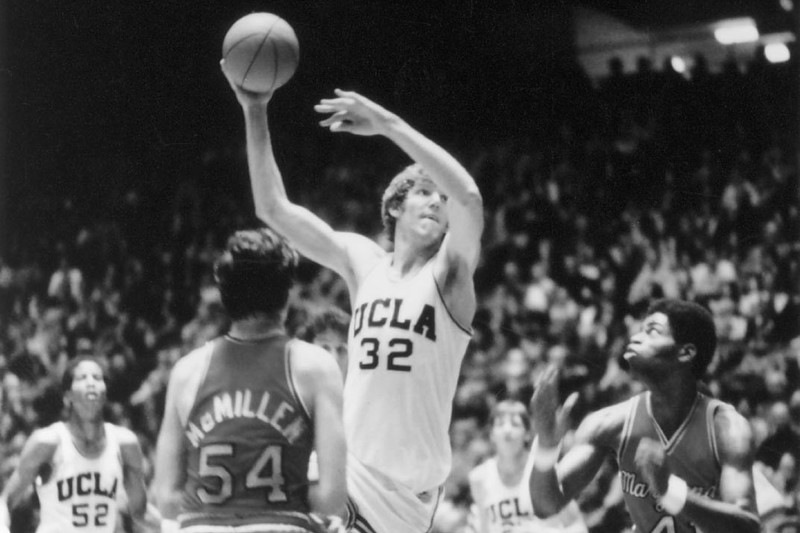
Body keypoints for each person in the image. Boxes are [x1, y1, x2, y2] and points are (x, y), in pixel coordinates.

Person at [222, 64, 483, 533]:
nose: (437, 202)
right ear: (395, 207)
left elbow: (468, 196)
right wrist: (255, 109)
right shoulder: (364, 263)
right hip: (347, 472)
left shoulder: (450, 276)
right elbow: (273, 209)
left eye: (441, 201)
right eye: (425, 191)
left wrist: (386, 124)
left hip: (404, 500)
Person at [153, 228, 346, 533]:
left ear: (225, 295)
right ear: (286, 295)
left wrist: (224, 507)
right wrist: (277, 503)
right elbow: (332, 498)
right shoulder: (316, 366)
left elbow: (164, 498)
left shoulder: (186, 371)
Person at [529, 298, 761, 533]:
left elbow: (749, 526)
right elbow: (545, 505)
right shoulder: (609, 423)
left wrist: (669, 491)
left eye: (652, 331)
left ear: (686, 352)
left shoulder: (726, 429)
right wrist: (547, 449)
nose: (636, 336)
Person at [0, 356, 160, 533]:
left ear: (105, 392)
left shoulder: (125, 443)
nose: (91, 383)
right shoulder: (47, 442)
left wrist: (176, 527)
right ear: (68, 394)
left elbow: (140, 512)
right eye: (82, 378)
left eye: (97, 378)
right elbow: (6, 499)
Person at [468, 400, 587, 533]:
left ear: (527, 434)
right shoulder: (479, 477)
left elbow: (577, 526)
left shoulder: (544, 469)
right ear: (491, 435)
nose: (507, 430)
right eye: (500, 424)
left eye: (515, 424)